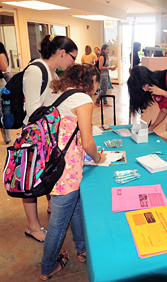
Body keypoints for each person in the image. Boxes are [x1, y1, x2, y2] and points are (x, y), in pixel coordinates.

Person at [40, 64, 107, 281]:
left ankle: (82, 249)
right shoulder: (83, 100)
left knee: (75, 209)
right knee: (58, 224)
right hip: (65, 172)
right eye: (97, 88)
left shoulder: (57, 94)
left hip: (50, 164)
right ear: (91, 82)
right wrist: (98, 158)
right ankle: (47, 267)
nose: (96, 92)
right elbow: (88, 143)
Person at [22, 34, 78, 243]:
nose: (73, 62)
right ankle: (32, 226)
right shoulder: (36, 70)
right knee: (29, 181)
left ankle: (50, 205)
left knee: (47, 172)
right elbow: (34, 109)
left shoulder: (51, 72)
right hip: (33, 134)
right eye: (73, 57)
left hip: (45, 132)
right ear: (62, 53)